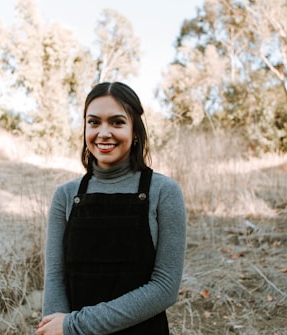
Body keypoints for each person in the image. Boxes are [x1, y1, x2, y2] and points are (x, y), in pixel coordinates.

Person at [36, 82, 187, 335]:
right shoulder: (65, 195)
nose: (104, 133)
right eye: (94, 122)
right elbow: (55, 279)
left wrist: (76, 326)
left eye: (117, 122)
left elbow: (165, 287)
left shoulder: (164, 192)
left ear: (135, 131)